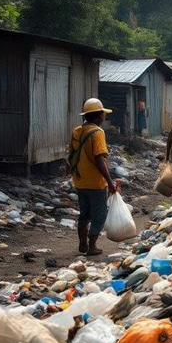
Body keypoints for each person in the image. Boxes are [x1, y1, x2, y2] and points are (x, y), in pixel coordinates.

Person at [68, 98, 117, 257]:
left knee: (84, 213)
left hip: (80, 180)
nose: (104, 117)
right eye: (103, 114)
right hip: (95, 183)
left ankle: (82, 242)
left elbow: (72, 155)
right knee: (99, 214)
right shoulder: (97, 132)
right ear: (98, 116)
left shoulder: (77, 131)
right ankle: (92, 246)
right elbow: (99, 159)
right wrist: (109, 182)